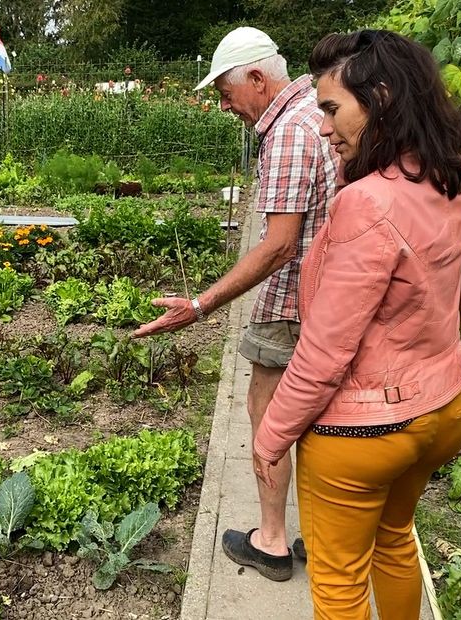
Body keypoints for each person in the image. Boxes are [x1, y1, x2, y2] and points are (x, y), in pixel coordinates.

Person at [252, 30, 461, 619]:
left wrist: (271, 437)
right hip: (441, 407)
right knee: (394, 541)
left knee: (338, 581)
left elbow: (325, 354)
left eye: (331, 110)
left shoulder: (367, 203)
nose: (324, 129)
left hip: (367, 430)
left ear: (381, 97)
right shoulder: (450, 174)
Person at [132, 26, 338, 582]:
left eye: (226, 94)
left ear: (256, 77)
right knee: (322, 420)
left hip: (292, 304)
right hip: (328, 300)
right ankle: (321, 542)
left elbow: (277, 247)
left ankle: (270, 542)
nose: (227, 107)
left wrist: (200, 305)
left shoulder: (289, 133)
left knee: (268, 417)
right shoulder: (318, 115)